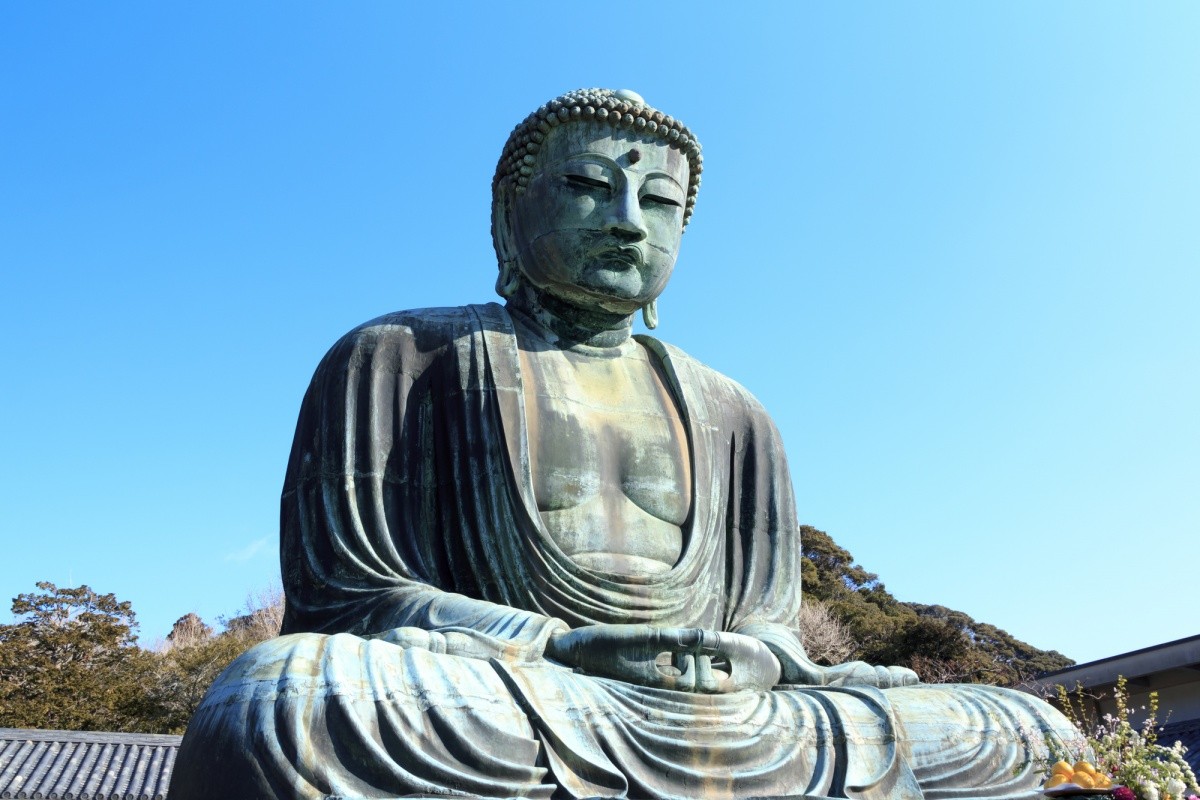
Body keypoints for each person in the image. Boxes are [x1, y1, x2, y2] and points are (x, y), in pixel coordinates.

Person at [170, 89, 1080, 800]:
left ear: (685, 228)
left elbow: (765, 616)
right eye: (586, 187)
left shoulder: (739, 413)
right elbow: (350, 596)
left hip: (731, 714)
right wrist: (560, 648)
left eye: (659, 203)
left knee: (1031, 733)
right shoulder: (402, 356)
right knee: (277, 700)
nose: (625, 222)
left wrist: (758, 657)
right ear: (508, 206)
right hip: (521, 697)